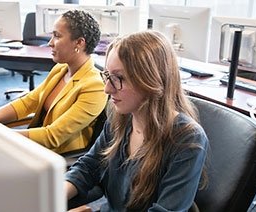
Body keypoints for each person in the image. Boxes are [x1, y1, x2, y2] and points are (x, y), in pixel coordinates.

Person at [65, 30, 208, 211]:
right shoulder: (121, 117)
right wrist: (53, 195)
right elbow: (90, 165)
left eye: (119, 78)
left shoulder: (187, 139)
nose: (107, 89)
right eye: (107, 76)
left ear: (151, 80)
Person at [0, 10, 108, 154]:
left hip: (57, 156)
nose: (50, 43)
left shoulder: (94, 86)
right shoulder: (60, 69)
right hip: (35, 147)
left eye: (57, 36)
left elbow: (52, 136)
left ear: (79, 43)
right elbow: (27, 103)